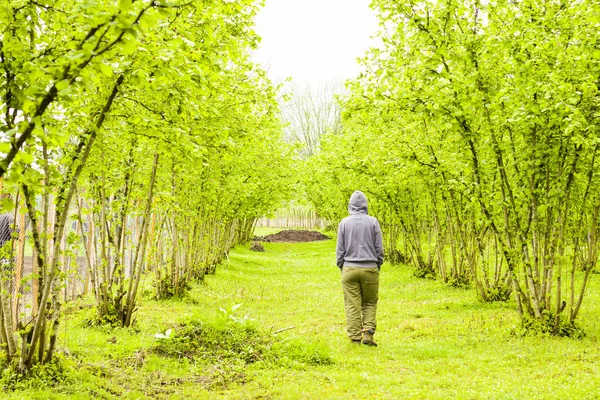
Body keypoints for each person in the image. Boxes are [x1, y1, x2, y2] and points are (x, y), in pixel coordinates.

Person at [336, 190, 384, 346]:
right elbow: (379, 248)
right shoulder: (373, 222)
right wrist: (377, 264)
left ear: (350, 205)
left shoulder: (344, 223)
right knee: (369, 302)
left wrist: (342, 266)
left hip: (349, 268)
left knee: (352, 304)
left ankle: (355, 338)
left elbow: (340, 250)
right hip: (370, 268)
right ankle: (368, 335)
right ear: (365, 205)